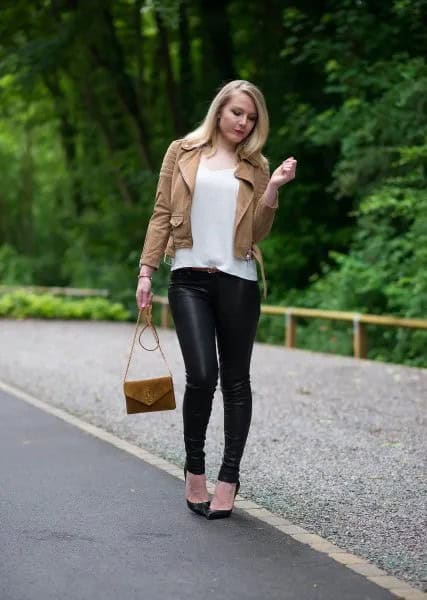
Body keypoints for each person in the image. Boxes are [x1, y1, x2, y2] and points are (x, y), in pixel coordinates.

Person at [136, 80, 296, 519]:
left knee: (237, 382)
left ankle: (228, 478)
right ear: (219, 110)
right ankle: (195, 472)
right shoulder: (182, 151)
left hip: (238, 281)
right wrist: (146, 271)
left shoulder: (257, 165)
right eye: (237, 113)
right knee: (203, 375)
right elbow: (162, 213)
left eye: (252, 117)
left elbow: (258, 231)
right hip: (188, 277)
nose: (244, 123)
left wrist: (274, 188)